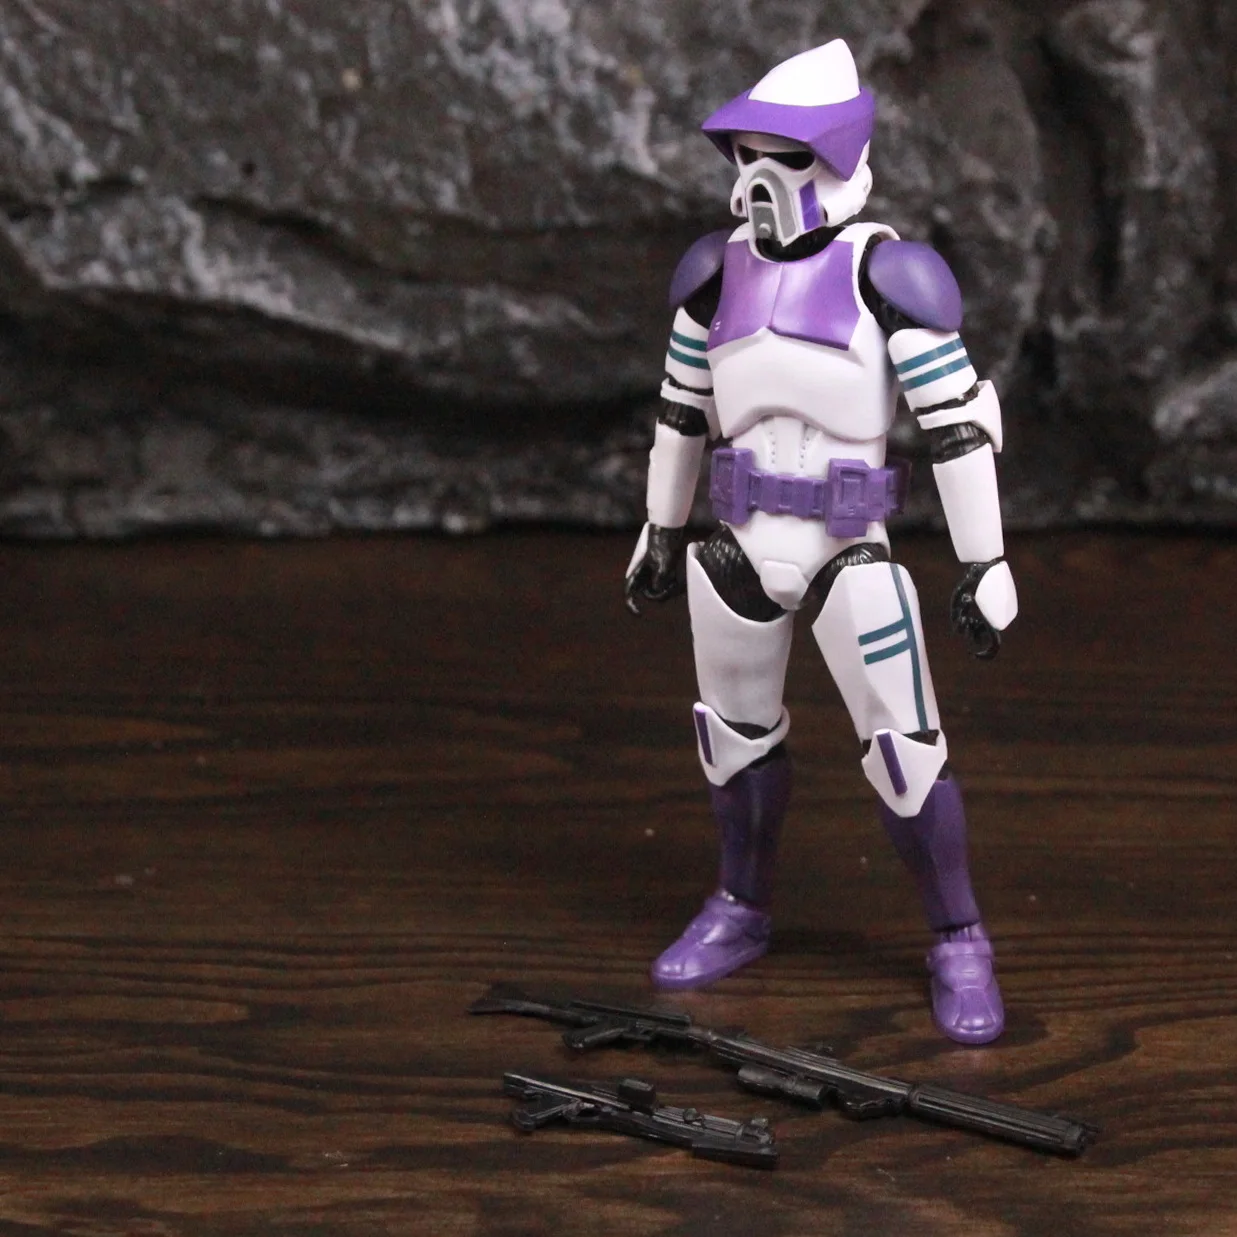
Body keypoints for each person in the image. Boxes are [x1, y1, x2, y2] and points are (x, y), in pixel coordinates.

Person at [624, 39, 1018, 1045]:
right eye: (746, 156)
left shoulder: (891, 274)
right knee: (732, 735)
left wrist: (984, 561)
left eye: (786, 157)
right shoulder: (712, 275)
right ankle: (739, 904)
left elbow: (956, 426)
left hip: (849, 546)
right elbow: (679, 412)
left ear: (840, 159)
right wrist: (660, 529)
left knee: (903, 751)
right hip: (739, 540)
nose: (760, 179)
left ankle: (959, 937)